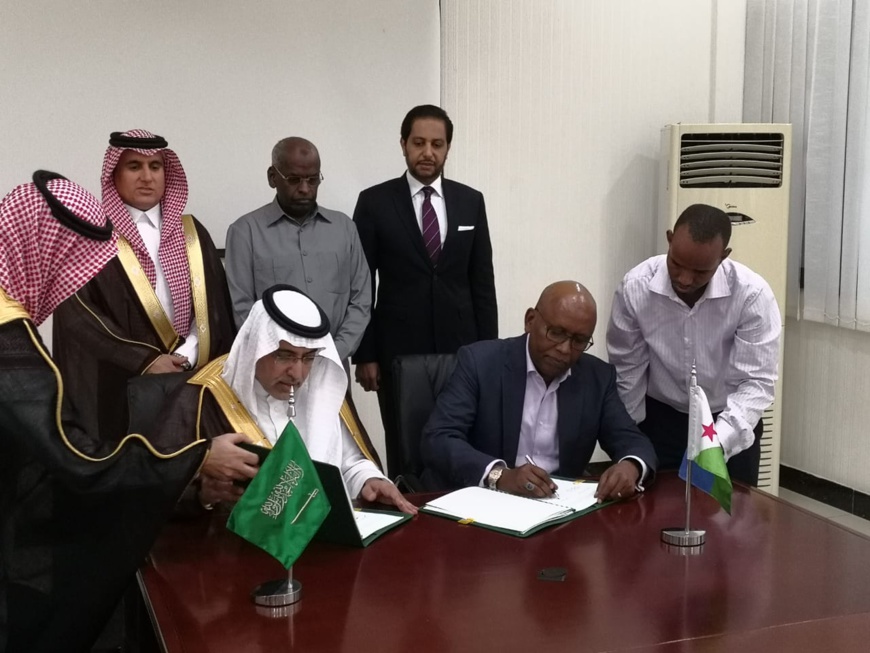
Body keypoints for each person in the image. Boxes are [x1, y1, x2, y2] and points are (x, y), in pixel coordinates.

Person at [0, 171, 205, 652]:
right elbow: (68, 463)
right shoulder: (7, 338)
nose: (62, 288)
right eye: (66, 271)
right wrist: (194, 462)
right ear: (40, 254)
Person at [155, 285, 415, 515]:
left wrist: (368, 480)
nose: (298, 373)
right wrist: (202, 495)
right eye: (284, 356)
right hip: (231, 556)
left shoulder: (322, 387)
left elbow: (347, 464)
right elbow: (154, 492)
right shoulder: (200, 399)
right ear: (257, 346)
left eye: (308, 357)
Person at [52, 129, 236, 443]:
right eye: (134, 166)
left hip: (189, 377)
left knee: (191, 467)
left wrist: (189, 353)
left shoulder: (192, 232)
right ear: (115, 173)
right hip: (118, 387)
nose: (147, 177)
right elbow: (79, 316)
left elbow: (214, 307)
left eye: (155, 167)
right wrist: (145, 361)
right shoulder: (91, 235)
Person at [353, 104, 498, 475]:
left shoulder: (471, 200)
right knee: (404, 444)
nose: (428, 153)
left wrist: (490, 352)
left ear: (448, 148)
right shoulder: (374, 202)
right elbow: (361, 282)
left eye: (437, 144)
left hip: (461, 347)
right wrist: (365, 353)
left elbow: (482, 282)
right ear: (403, 144)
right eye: (419, 143)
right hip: (397, 348)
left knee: (464, 436)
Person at [420, 281, 656, 500]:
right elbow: (439, 438)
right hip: (482, 502)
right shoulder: (480, 362)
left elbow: (632, 440)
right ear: (530, 320)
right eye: (556, 333)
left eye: (579, 341)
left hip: (556, 508)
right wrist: (500, 475)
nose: (564, 349)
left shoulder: (597, 378)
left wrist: (631, 465)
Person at [606, 203, 781, 486]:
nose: (685, 279)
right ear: (669, 239)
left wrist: (717, 442)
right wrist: (630, 439)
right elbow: (627, 370)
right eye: (676, 264)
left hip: (728, 420)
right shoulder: (635, 287)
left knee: (731, 523)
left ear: (724, 257)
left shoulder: (751, 295)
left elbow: (755, 384)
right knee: (652, 516)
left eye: (700, 271)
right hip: (660, 420)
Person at [225, 137, 371, 362]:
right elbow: (242, 308)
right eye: (294, 179)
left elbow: (360, 300)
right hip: (273, 368)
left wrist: (335, 352)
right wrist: (285, 357)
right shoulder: (245, 232)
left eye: (312, 180)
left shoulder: (344, 228)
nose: (305, 189)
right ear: (272, 177)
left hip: (333, 365)